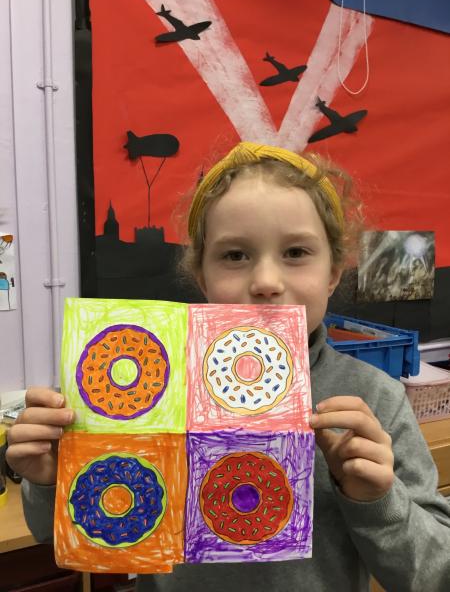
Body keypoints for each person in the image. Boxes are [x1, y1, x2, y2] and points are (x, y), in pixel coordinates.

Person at [6, 142, 450, 591]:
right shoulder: (150, 386)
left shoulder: (373, 400)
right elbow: (53, 533)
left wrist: (378, 501)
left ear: (333, 272)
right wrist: (48, 479)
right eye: (235, 256)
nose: (266, 282)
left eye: (296, 252)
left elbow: (433, 575)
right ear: (202, 275)